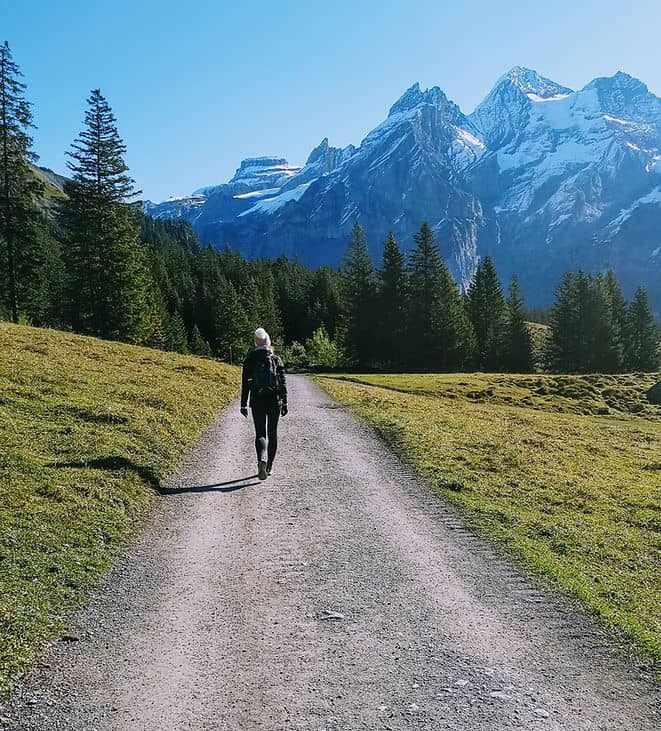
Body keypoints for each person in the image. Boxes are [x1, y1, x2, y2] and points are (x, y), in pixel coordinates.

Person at [240, 328, 288, 480]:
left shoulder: (250, 359)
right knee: (272, 433)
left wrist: (243, 404)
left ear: (255, 342)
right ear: (268, 342)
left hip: (257, 399)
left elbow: (245, 384)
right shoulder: (275, 359)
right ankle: (269, 466)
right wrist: (285, 402)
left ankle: (261, 459)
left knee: (260, 433)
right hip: (274, 400)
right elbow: (283, 382)